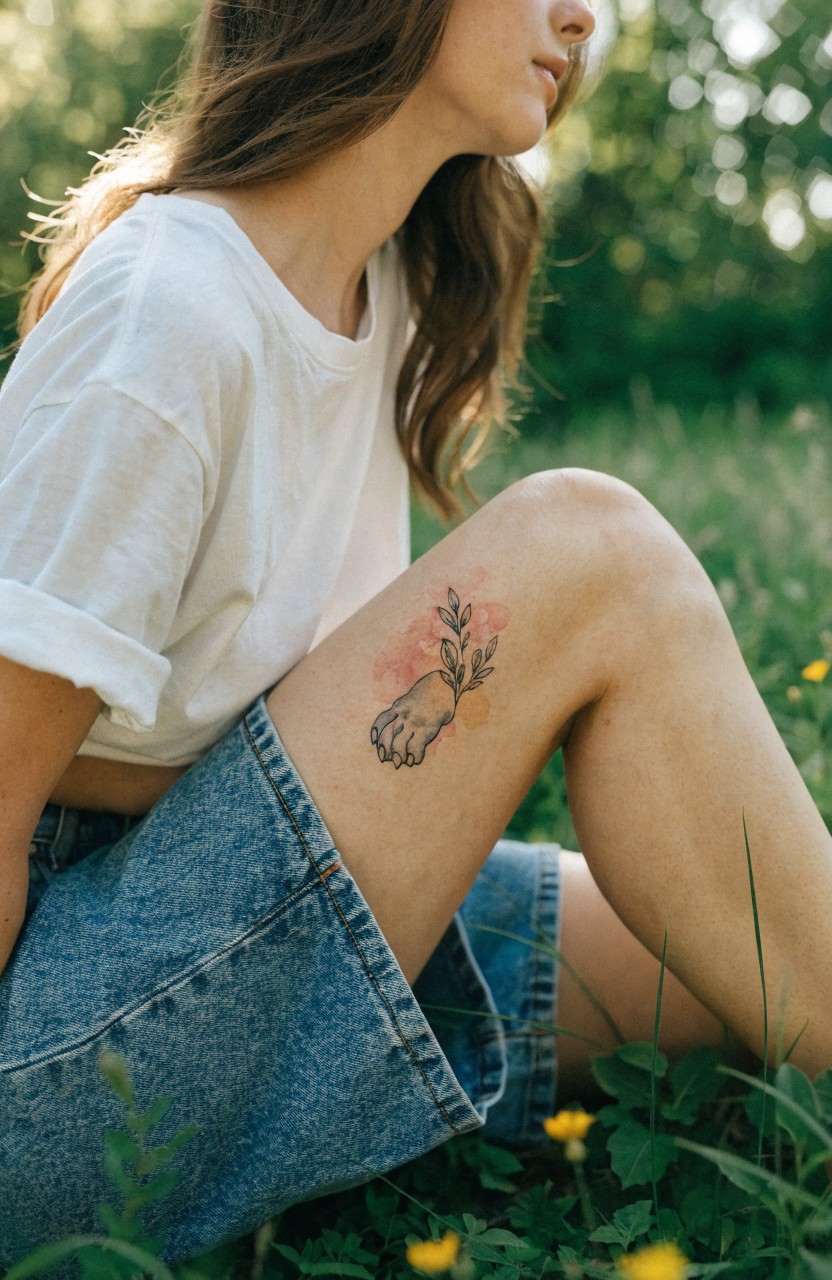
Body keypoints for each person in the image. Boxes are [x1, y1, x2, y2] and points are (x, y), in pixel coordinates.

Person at [0, 0, 830, 1264]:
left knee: (723, 964)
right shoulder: (164, 313)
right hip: (48, 1049)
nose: (583, 16)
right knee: (588, 553)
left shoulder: (374, 286)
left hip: (188, 901)